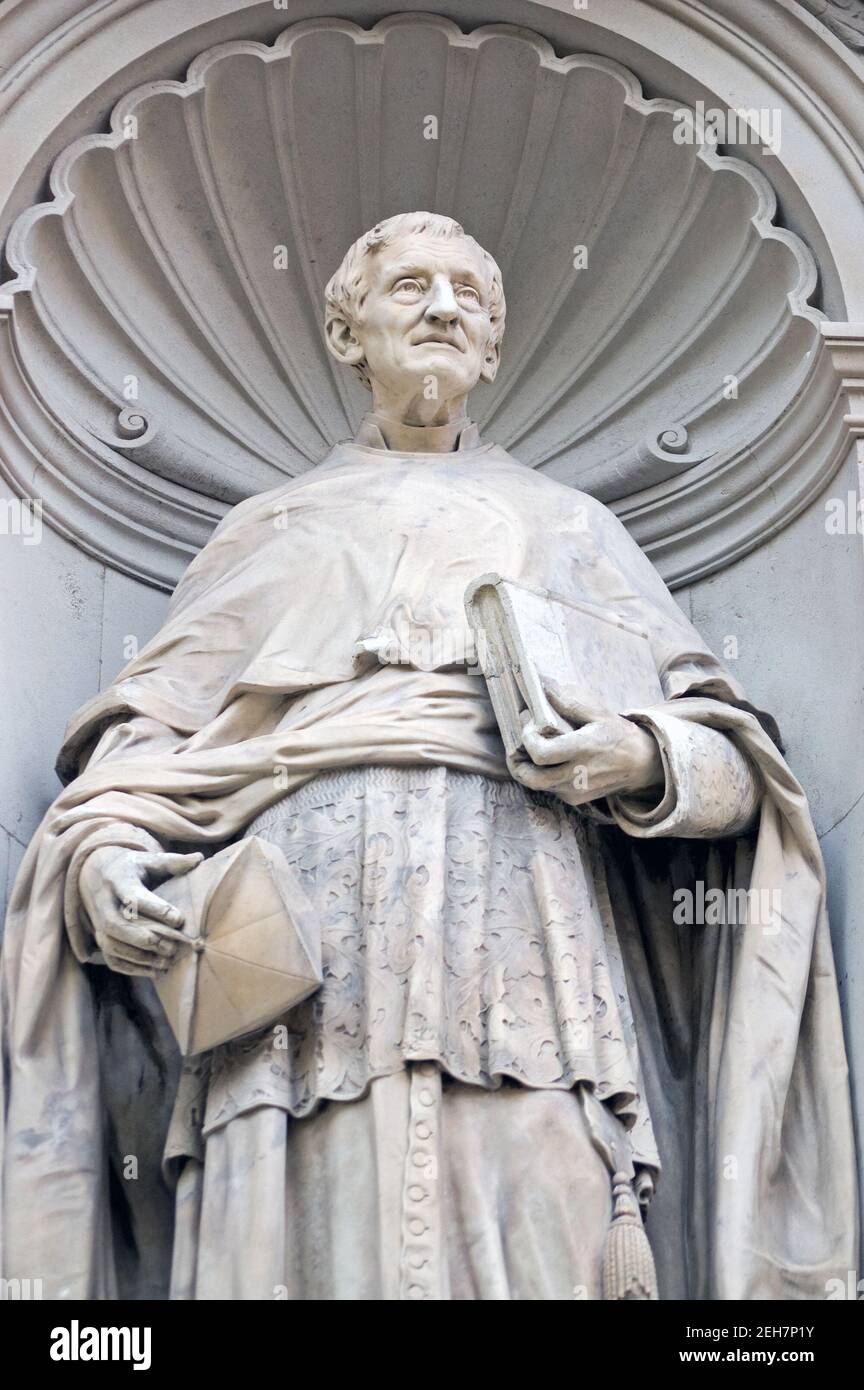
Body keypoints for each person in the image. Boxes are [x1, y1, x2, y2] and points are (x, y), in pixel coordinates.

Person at [1, 213, 857, 1300]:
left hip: (534, 961)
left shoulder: (569, 529)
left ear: (494, 346)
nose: (443, 307)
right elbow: (143, 750)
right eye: (409, 287)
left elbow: (740, 774)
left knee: (546, 1222)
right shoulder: (271, 530)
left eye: (467, 293)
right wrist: (109, 862)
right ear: (347, 331)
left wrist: (637, 754)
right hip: (292, 977)